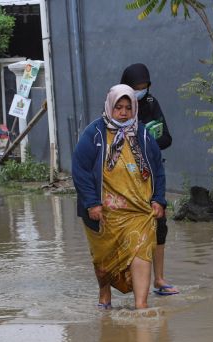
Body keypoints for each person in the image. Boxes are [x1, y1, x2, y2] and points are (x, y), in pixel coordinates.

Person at [72, 84, 167, 310]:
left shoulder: (142, 134)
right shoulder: (94, 134)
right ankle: (105, 293)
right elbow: (80, 169)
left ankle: (141, 305)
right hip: (104, 213)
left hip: (139, 210)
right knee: (104, 261)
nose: (123, 113)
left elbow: (157, 169)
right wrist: (92, 203)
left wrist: (158, 199)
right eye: (118, 107)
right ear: (110, 107)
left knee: (141, 249)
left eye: (128, 108)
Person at [120, 63, 178, 296]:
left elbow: (166, 138)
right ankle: (127, 281)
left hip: (150, 174)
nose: (140, 92)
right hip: (124, 178)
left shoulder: (151, 103)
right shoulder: (118, 104)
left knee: (159, 224)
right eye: (137, 87)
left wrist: (147, 137)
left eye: (144, 87)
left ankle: (159, 279)